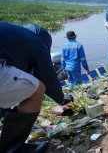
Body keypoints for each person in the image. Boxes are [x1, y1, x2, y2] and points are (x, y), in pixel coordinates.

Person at [0, 22, 73, 152]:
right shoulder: (36, 42)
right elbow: (47, 75)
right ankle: (13, 148)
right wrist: (60, 99)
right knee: (37, 89)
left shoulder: (13, 38)